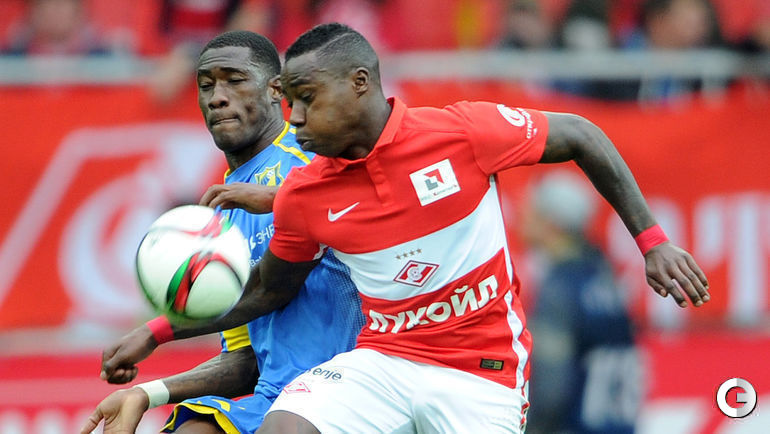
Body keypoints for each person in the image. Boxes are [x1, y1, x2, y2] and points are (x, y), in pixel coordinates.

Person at [98, 22, 709, 433]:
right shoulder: (305, 193)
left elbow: (581, 134)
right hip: (386, 359)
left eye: (306, 98)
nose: (297, 117)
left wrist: (652, 242)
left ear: (359, 84)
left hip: (481, 369)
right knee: (286, 424)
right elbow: (265, 291)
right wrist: (158, 331)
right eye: (291, 103)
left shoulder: (459, 133)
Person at [80, 30, 364, 434]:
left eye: (234, 80)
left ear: (275, 90)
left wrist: (156, 330)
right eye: (206, 85)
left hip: (349, 392)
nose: (217, 97)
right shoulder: (224, 218)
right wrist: (147, 393)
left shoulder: (312, 161)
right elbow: (246, 361)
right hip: (276, 399)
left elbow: (270, 287)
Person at [520, 170, 642, 434]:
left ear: (551, 223)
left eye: (532, 210)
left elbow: (551, 384)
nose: (523, 216)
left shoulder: (560, 289)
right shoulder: (607, 279)